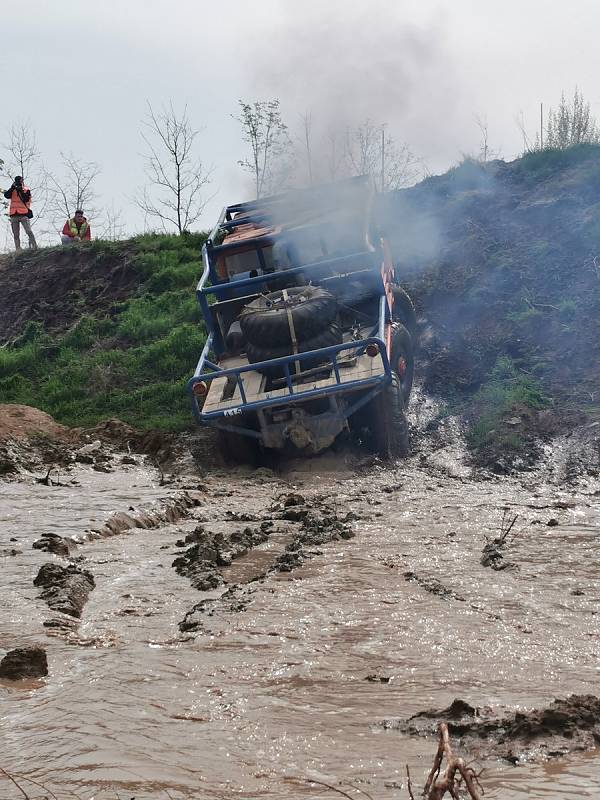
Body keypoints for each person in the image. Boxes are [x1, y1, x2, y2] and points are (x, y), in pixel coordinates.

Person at [3, 176, 37, 251]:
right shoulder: (12, 190)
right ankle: (18, 249)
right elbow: (6, 195)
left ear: (22, 181)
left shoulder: (26, 190)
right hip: (13, 214)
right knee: (16, 234)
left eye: (20, 181)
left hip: (23, 213)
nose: (18, 182)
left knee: (29, 231)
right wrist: (12, 188)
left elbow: (26, 199)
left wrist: (20, 190)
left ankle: (35, 246)